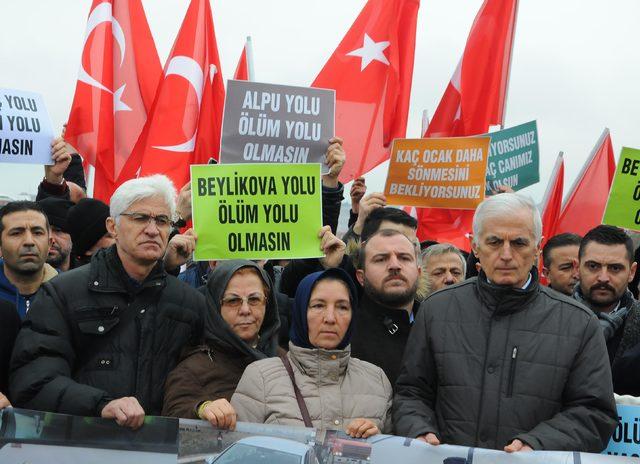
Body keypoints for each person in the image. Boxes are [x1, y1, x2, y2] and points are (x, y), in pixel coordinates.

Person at [393, 193, 617, 452]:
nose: (507, 254)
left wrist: (538, 443)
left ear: (537, 248)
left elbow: (594, 413)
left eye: (519, 243)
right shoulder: (436, 309)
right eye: (494, 242)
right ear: (475, 246)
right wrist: (420, 431)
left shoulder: (579, 323)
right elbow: (411, 393)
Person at [9, 175, 205, 428]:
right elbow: (33, 382)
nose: (153, 229)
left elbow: (200, 380)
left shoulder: (190, 303)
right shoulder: (63, 293)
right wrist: (100, 405)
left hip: (160, 451)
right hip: (81, 448)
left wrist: (205, 405)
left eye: (162, 220)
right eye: (141, 218)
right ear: (113, 227)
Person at [232, 268, 392, 437]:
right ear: (301, 311)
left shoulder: (377, 380)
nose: (330, 318)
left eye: (342, 307)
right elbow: (236, 451)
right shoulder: (260, 378)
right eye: (318, 305)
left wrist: (377, 442)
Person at [162, 260, 281, 428]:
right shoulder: (193, 369)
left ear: (267, 303)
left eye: (254, 299)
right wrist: (202, 409)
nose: (245, 310)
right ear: (215, 307)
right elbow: (174, 416)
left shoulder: (284, 361)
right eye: (233, 301)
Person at [573, 225, 640, 396]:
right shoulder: (547, 318)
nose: (603, 277)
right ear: (577, 268)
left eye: (615, 268)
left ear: (632, 272)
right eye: (593, 266)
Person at [0, 201, 58, 319]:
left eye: (37, 233)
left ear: (50, 244)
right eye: (16, 233)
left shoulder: (70, 293)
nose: (29, 241)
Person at [66, 198, 115, 268]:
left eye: (116, 230)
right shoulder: (79, 278)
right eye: (109, 236)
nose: (118, 238)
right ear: (88, 250)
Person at [38, 197, 74, 271]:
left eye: (58, 230)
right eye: (40, 231)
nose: (50, 238)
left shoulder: (90, 276)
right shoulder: (13, 279)